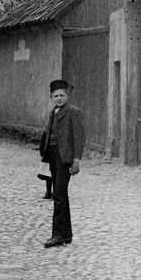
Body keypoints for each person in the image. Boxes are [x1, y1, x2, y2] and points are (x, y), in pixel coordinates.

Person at [39, 79, 85, 248]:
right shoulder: (53, 112)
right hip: (52, 155)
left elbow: (79, 137)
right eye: (55, 96)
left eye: (61, 95)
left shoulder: (73, 112)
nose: (59, 98)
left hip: (64, 157)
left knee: (58, 194)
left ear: (67, 95)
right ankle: (66, 234)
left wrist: (76, 159)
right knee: (61, 195)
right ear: (51, 97)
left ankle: (57, 235)